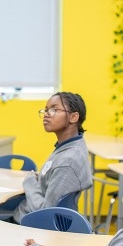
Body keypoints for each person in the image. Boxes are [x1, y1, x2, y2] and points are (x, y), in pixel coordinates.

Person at [12, 92, 92, 223]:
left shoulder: (68, 161)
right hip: (24, 217)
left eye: (54, 109)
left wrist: (30, 182)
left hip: (27, 225)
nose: (46, 114)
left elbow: (45, 212)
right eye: (46, 109)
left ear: (74, 117)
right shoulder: (69, 145)